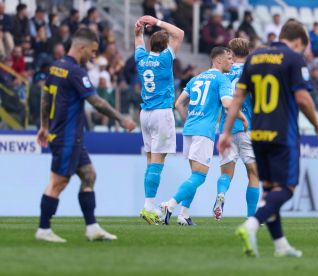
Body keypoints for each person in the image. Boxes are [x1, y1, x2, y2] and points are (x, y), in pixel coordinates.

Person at [218, 21, 318, 258]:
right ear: (298, 41)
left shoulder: (255, 58)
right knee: (287, 188)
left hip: (257, 133)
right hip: (282, 134)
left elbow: (237, 98)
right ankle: (252, 224)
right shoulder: (293, 58)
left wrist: (226, 132)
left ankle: (280, 244)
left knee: (269, 190)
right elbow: (303, 99)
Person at [35, 27, 136, 243]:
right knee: (58, 182)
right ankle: (43, 229)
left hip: (69, 136)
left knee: (89, 175)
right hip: (67, 136)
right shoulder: (75, 71)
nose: (94, 55)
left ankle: (92, 228)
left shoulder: (56, 67)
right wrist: (121, 118)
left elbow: (45, 95)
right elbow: (96, 101)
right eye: (92, 51)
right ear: (81, 47)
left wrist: (44, 125)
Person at [159, 46, 247, 226]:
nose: (232, 62)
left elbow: (178, 104)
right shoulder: (221, 79)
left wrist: (189, 119)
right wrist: (242, 117)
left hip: (190, 129)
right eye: (229, 58)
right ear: (219, 59)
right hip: (203, 131)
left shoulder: (196, 78)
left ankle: (184, 214)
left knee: (194, 174)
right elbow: (226, 103)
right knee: (199, 176)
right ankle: (170, 204)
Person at [134, 15, 184, 224]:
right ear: (165, 46)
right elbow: (179, 34)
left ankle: (149, 205)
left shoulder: (141, 58)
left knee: (150, 161)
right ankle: (148, 206)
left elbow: (137, 40)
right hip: (162, 113)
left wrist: (138, 30)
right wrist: (156, 22)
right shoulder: (165, 59)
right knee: (158, 161)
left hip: (145, 114)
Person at [212, 38, 259, 221]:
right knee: (254, 174)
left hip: (227, 128)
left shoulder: (224, 73)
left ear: (230, 52)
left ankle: (221, 196)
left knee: (226, 174)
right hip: (249, 127)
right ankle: (251, 217)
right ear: (248, 51)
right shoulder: (253, 72)